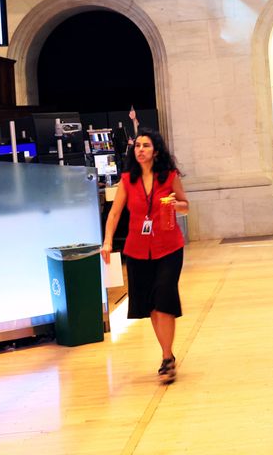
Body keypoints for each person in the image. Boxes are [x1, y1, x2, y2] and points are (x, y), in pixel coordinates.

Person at [102, 128, 188, 383]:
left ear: (156, 151)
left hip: (169, 248)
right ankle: (167, 355)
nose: (140, 149)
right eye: (137, 145)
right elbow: (115, 213)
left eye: (146, 145)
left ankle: (166, 357)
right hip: (138, 250)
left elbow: (186, 206)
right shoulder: (128, 180)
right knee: (151, 304)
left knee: (164, 297)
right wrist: (107, 242)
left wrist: (176, 205)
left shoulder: (169, 176)